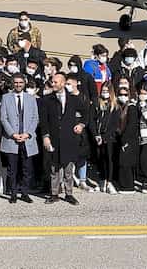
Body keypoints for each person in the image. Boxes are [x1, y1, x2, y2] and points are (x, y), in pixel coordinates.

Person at [40, 72, 87, 204]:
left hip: (69, 138)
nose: (53, 84)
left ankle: (69, 193)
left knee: (68, 169)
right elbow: (44, 120)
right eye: (52, 82)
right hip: (54, 138)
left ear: (62, 83)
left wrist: (81, 124)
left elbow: (86, 113)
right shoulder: (47, 100)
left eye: (55, 82)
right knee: (54, 168)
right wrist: (45, 136)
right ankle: (54, 193)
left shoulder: (74, 99)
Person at [0, 72, 38, 203]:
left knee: (27, 169)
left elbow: (35, 118)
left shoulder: (31, 98)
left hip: (27, 139)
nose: (18, 85)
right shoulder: (6, 98)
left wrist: (28, 133)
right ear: (12, 83)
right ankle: (13, 193)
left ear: (24, 83)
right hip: (12, 139)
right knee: (12, 169)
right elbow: (3, 118)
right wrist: (13, 134)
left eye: (20, 82)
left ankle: (25, 193)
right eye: (16, 82)